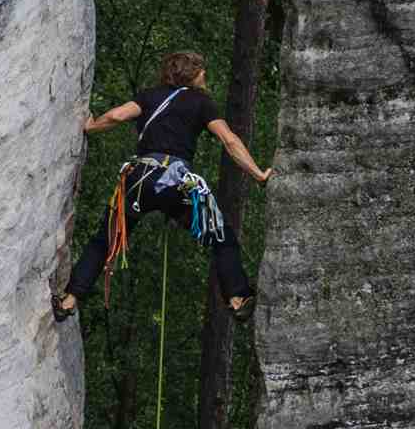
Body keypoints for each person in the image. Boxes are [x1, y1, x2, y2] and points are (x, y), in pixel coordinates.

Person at [58, 51, 271, 322]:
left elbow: (117, 116)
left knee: (105, 240)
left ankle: (69, 299)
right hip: (179, 186)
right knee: (221, 238)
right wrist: (258, 174)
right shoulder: (201, 103)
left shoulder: (149, 97)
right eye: (202, 71)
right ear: (193, 74)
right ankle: (237, 297)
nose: (205, 76)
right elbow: (229, 141)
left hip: (140, 180)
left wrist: (90, 126)